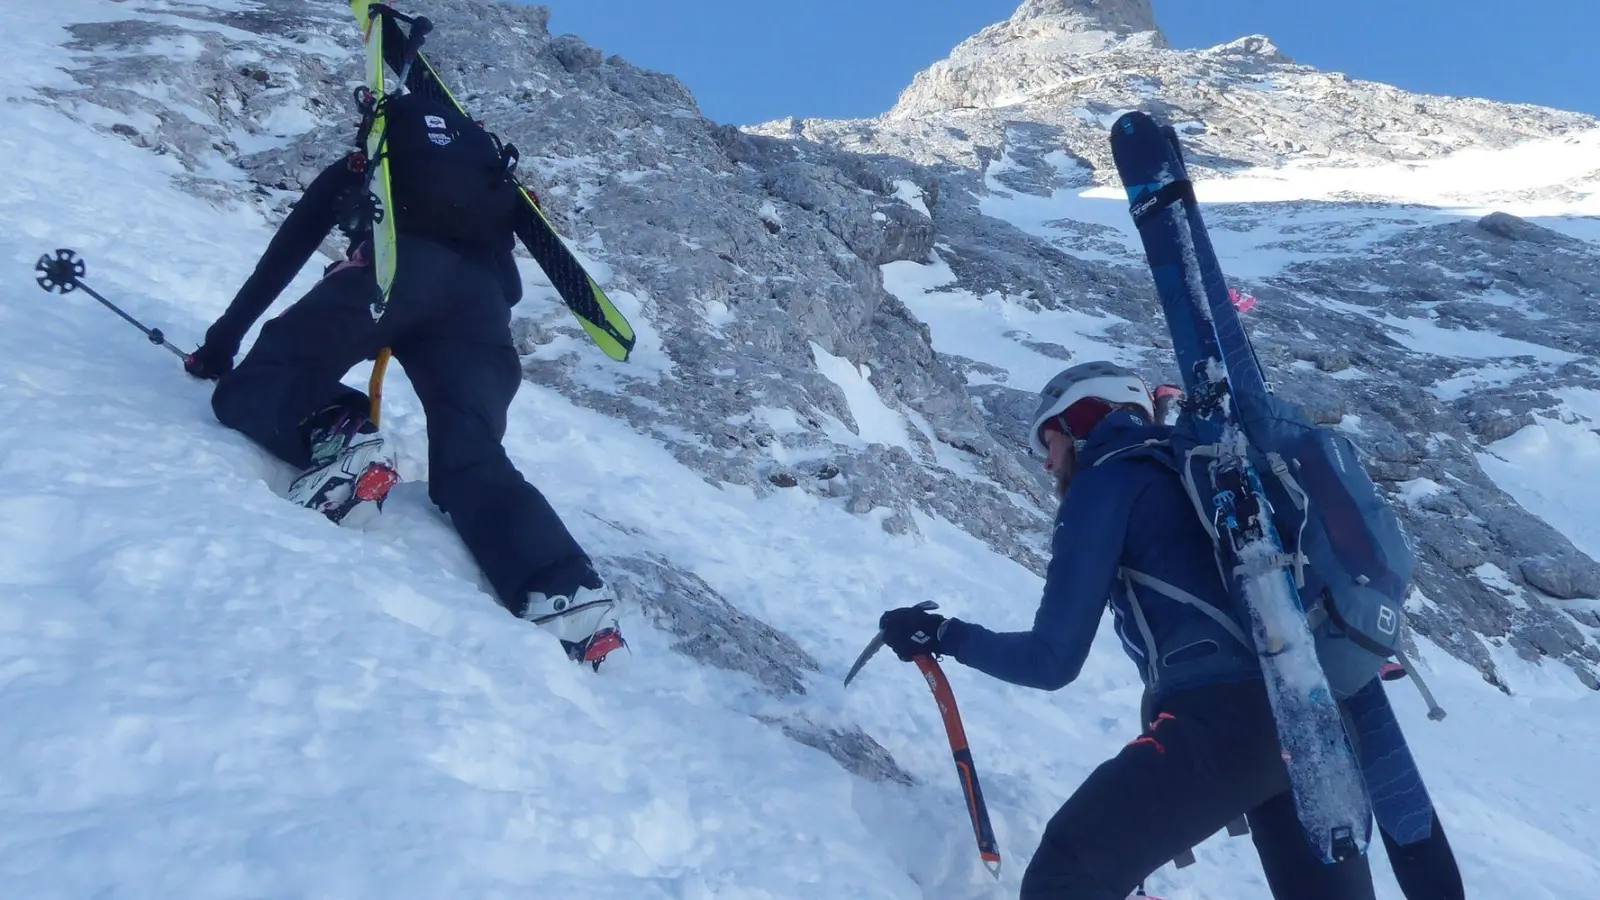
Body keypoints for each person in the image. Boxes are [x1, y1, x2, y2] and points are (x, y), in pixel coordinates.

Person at [876, 361, 1377, 899]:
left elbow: (1052, 660)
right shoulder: (1195, 471)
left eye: (1049, 441)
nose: (1048, 463)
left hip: (1225, 724)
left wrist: (944, 634)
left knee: (1066, 872)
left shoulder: (1108, 481)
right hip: (1315, 717)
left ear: (1082, 420)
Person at [183, 81, 622, 669]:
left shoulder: (374, 162)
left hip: (392, 272)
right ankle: (567, 593)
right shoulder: (490, 180)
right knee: (472, 456)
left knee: (268, 375)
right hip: (483, 310)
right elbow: (522, 269)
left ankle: (342, 438)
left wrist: (221, 345)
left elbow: (288, 250)